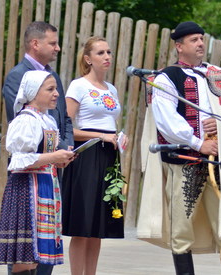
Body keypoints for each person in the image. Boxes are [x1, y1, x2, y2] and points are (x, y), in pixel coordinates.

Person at [137, 21, 221, 274]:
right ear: (179, 47)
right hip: (185, 162)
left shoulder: (216, 75)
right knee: (182, 228)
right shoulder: (168, 77)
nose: (200, 43)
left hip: (218, 162)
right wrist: (199, 143)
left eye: (202, 39)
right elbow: (166, 119)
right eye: (194, 40)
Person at [2, 21, 74, 275]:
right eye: (52, 43)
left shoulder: (49, 85)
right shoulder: (20, 83)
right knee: (26, 254)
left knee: (43, 252)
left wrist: (65, 151)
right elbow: (21, 150)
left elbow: (64, 117)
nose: (58, 48)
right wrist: (54, 154)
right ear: (35, 43)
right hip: (29, 184)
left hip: (47, 178)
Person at [61, 36, 129, 275]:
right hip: (87, 156)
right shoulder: (78, 86)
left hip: (110, 157)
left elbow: (109, 122)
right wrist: (99, 137)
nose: (107, 56)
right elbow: (67, 129)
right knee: (83, 224)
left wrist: (119, 137)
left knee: (99, 224)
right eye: (100, 53)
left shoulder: (112, 89)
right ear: (88, 59)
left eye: (109, 52)